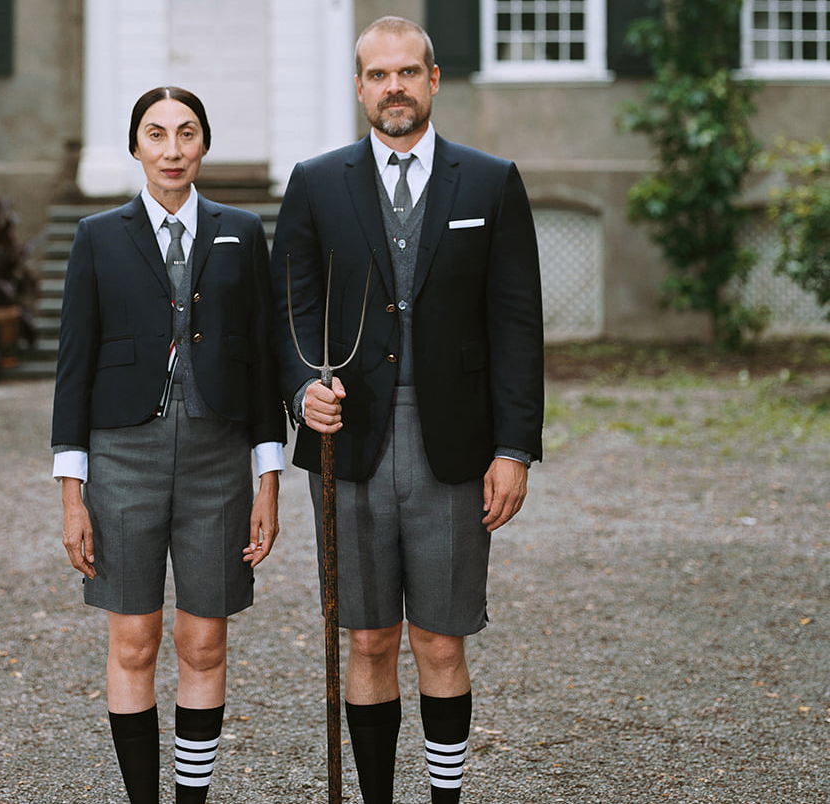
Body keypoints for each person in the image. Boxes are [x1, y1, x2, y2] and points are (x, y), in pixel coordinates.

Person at [269, 16, 544, 804]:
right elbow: (293, 308)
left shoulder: (490, 182)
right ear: (359, 88)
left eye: (407, 72)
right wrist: (301, 390)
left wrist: (514, 449)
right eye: (378, 74)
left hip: (454, 447)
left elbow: (517, 326)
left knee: (440, 639)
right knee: (369, 638)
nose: (394, 87)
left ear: (432, 80)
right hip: (349, 444)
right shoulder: (318, 183)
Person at [52, 86, 286, 804]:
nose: (172, 149)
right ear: (135, 148)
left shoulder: (242, 231)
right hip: (123, 459)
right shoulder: (97, 236)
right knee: (134, 641)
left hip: (220, 461)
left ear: (204, 145)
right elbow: (73, 368)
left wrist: (269, 478)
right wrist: (72, 495)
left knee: (205, 642)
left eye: (186, 134)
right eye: (156, 134)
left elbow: (264, 361)